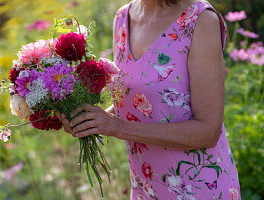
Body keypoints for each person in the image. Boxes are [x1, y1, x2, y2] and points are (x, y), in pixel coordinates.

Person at [56, 0, 241, 199]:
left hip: (201, 188)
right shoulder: (122, 18)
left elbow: (207, 132)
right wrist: (89, 121)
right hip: (146, 187)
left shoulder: (200, 20)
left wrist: (118, 127)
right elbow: (132, 102)